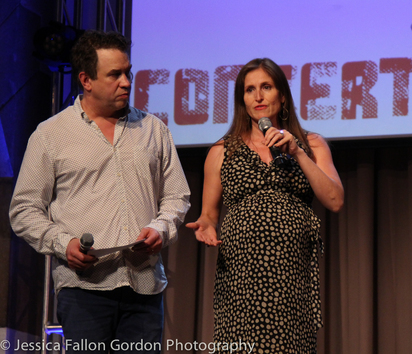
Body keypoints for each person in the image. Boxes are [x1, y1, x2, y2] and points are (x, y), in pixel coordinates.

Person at [9, 30, 190, 353]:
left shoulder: (154, 130)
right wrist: (64, 245)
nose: (127, 82)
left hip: (144, 287)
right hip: (84, 291)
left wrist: (161, 229)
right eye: (115, 74)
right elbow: (24, 210)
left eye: (128, 72)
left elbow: (177, 196)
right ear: (86, 80)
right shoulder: (51, 135)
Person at [186, 58, 344, 353]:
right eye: (249, 90)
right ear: (242, 99)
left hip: (291, 275)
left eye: (266, 87)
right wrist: (206, 225)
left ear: (282, 95)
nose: (257, 97)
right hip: (241, 276)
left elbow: (335, 200)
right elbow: (208, 214)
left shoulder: (312, 144)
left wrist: (297, 152)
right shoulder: (222, 151)